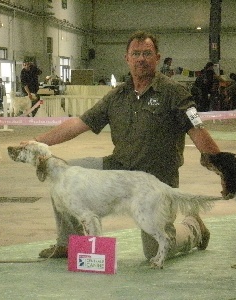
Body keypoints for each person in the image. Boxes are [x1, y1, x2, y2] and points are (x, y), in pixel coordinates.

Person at [20, 31, 222, 261]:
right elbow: (79, 123)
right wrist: (39, 141)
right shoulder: (117, 96)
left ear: (157, 57)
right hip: (118, 168)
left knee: (155, 251)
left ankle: (193, 227)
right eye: (135, 54)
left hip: (157, 177)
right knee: (62, 174)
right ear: (127, 58)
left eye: (147, 53)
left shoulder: (174, 93)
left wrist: (221, 164)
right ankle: (69, 244)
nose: (141, 59)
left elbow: (197, 129)